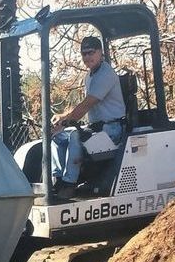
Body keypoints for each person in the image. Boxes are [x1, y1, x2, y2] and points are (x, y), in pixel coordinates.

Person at [50, 36, 127, 198]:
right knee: (57, 137)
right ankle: (58, 179)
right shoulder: (89, 76)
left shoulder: (106, 74)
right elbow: (84, 102)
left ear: (100, 53)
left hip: (113, 129)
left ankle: (70, 184)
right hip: (98, 127)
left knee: (76, 136)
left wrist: (66, 121)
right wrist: (63, 117)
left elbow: (88, 103)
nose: (87, 57)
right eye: (84, 54)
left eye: (91, 52)